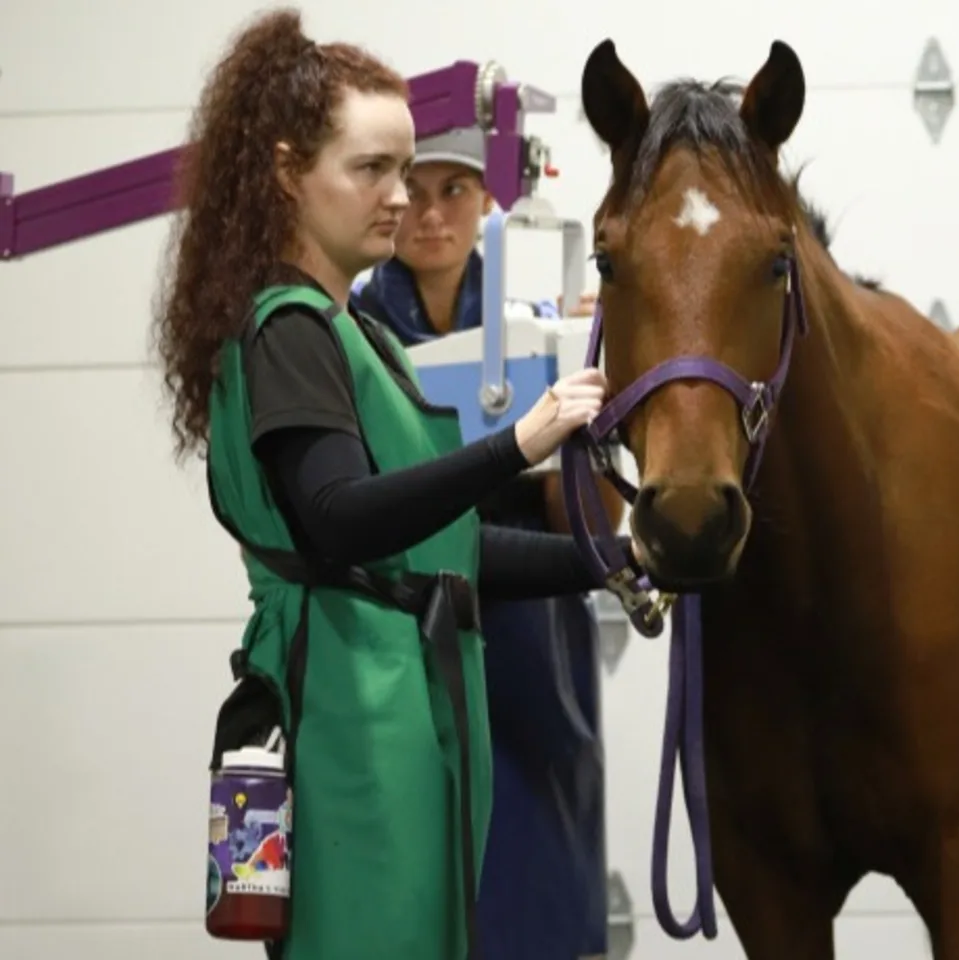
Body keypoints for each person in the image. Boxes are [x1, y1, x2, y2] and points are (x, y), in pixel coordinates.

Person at [149, 9, 620, 959]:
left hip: (396, 706)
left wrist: (614, 557)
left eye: (404, 170)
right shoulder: (289, 332)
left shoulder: (351, 334)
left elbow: (439, 548)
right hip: (351, 723)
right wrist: (512, 447)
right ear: (288, 173)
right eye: (372, 170)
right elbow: (341, 521)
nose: (401, 198)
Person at [352, 126, 617, 959]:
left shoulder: (534, 330)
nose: (431, 214)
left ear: (491, 204)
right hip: (398, 616)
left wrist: (587, 421)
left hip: (529, 635)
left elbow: (587, 521)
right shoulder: (348, 332)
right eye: (415, 190)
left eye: (455, 192)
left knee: (540, 839)